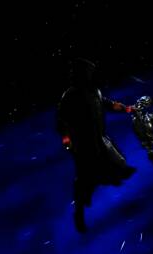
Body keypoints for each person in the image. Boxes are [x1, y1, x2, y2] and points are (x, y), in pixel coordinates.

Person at [56, 58, 136, 232]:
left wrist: (127, 109)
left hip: (99, 138)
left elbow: (108, 104)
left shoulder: (95, 92)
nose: (89, 75)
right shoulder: (70, 95)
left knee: (114, 161)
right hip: (83, 143)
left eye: (89, 73)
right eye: (86, 72)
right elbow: (61, 120)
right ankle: (79, 213)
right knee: (85, 178)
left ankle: (116, 177)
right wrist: (67, 139)